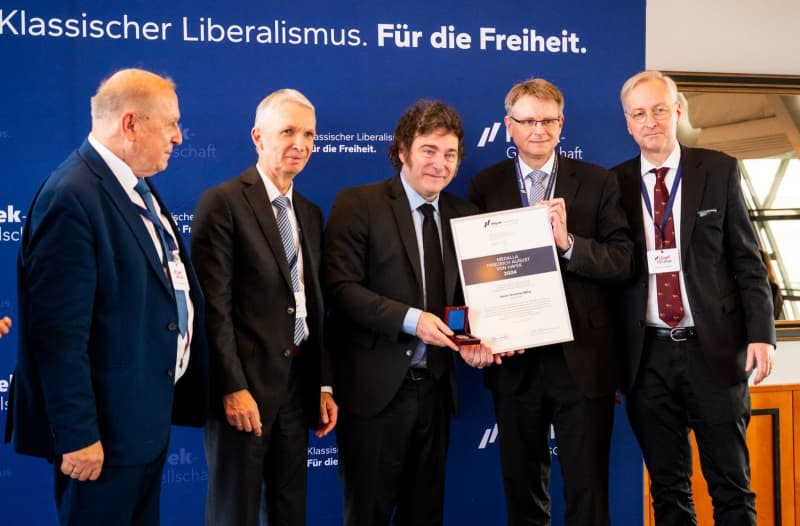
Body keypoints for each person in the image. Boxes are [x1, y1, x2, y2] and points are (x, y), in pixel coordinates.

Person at [5, 68, 208, 525]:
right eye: (171, 123)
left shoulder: (132, 184)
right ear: (131, 124)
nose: (178, 136)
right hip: (100, 439)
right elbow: (56, 335)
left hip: (140, 427)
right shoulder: (71, 196)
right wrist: (77, 435)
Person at [612, 70, 776, 526]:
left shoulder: (718, 169)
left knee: (731, 486)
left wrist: (762, 335)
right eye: (639, 113)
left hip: (716, 355)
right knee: (668, 490)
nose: (651, 121)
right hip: (647, 360)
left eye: (659, 110)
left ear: (677, 111)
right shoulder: (614, 184)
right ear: (627, 122)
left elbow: (748, 262)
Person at [467, 78, 634, 526]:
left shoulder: (598, 182)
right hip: (514, 360)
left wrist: (569, 244)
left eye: (548, 120)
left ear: (562, 123)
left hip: (583, 361)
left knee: (587, 490)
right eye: (527, 121)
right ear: (508, 126)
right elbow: (470, 272)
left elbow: (623, 260)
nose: (538, 130)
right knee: (521, 489)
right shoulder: (484, 186)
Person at [325, 99, 491, 526]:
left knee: (425, 514)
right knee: (368, 513)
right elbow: (340, 290)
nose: (440, 163)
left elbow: (463, 301)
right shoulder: (359, 203)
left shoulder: (464, 215)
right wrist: (410, 319)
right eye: (429, 150)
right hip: (377, 394)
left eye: (450, 154)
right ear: (403, 150)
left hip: (435, 390)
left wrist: (474, 338)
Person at [191, 88, 337, 526]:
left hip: (297, 389)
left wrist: (324, 384)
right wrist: (232, 387)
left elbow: (313, 304)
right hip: (244, 393)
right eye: (288, 131)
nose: (301, 144)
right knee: (234, 513)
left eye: (309, 134)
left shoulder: (308, 212)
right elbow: (212, 307)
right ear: (258, 137)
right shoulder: (223, 202)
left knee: (289, 513)